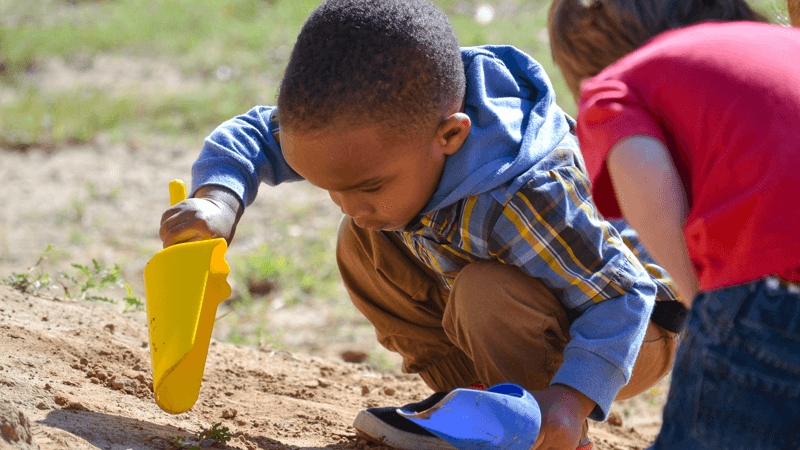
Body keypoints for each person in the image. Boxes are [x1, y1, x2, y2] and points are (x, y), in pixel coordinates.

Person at [159, 1, 687, 449]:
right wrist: (218, 201)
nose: (347, 203)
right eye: (331, 188)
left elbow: (624, 298)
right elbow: (256, 132)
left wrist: (571, 400)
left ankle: (537, 431)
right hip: (538, 300)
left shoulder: (524, 194)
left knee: (486, 293)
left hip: (628, 329)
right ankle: (473, 405)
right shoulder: (383, 131)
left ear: (451, 136)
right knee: (363, 239)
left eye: (367, 186)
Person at [548, 0, 800, 448]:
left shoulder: (618, 85)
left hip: (775, 297)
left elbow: (640, 165)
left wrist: (703, 306)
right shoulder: (788, 46)